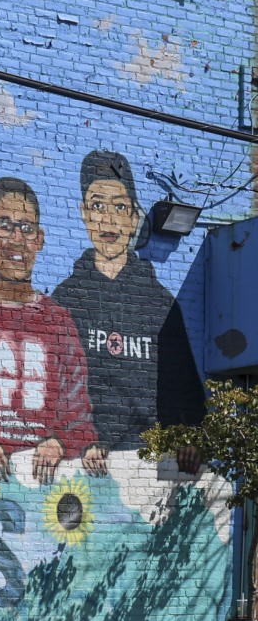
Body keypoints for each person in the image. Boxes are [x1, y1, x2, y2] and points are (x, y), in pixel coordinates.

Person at [0, 177, 103, 485]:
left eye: (26, 228)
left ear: (39, 239)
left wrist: (60, 442)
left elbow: (77, 408)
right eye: (4, 226)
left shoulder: (59, 321)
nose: (16, 240)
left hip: (50, 487)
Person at [50, 149, 205, 469]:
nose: (108, 219)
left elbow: (185, 389)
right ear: (84, 213)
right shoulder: (65, 300)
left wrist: (190, 437)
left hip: (151, 467)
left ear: (135, 217)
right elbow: (51, 390)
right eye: (97, 206)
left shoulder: (161, 305)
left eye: (119, 207)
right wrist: (74, 439)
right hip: (79, 468)